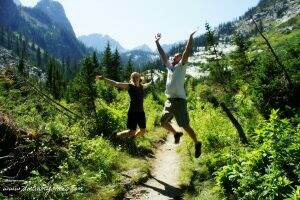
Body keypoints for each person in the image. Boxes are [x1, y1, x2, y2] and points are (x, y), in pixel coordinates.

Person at [155, 31, 202, 158]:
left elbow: (187, 51)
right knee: (163, 122)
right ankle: (176, 133)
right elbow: (163, 55)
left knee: (185, 125)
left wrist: (190, 38)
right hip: (170, 100)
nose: (179, 56)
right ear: (173, 58)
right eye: (177, 55)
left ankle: (197, 143)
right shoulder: (169, 67)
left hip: (180, 101)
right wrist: (157, 42)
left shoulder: (182, 66)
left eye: (180, 56)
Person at [96, 72, 151, 138]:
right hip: (132, 112)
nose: (135, 78)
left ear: (139, 78)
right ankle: (115, 136)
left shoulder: (142, 86)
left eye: (136, 77)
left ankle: (133, 137)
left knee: (143, 130)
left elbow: (147, 85)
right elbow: (116, 84)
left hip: (141, 112)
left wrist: (151, 82)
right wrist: (104, 79)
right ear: (131, 78)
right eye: (133, 77)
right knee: (131, 132)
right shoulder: (129, 86)